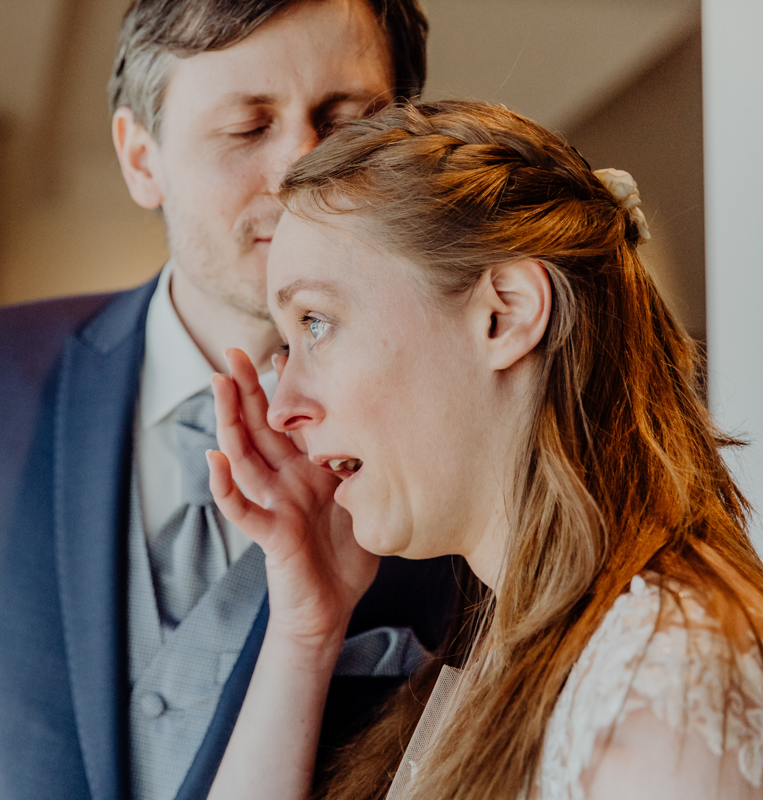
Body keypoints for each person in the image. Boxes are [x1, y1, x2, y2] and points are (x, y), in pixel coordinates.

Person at [0, 2, 458, 799]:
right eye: (247, 126)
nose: (302, 171)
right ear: (141, 158)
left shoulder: (459, 428)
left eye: (344, 119)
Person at [203, 98, 763, 800]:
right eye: (286, 341)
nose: (283, 409)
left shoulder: (663, 693)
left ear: (505, 315)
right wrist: (305, 625)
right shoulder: (519, 646)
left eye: (316, 321)